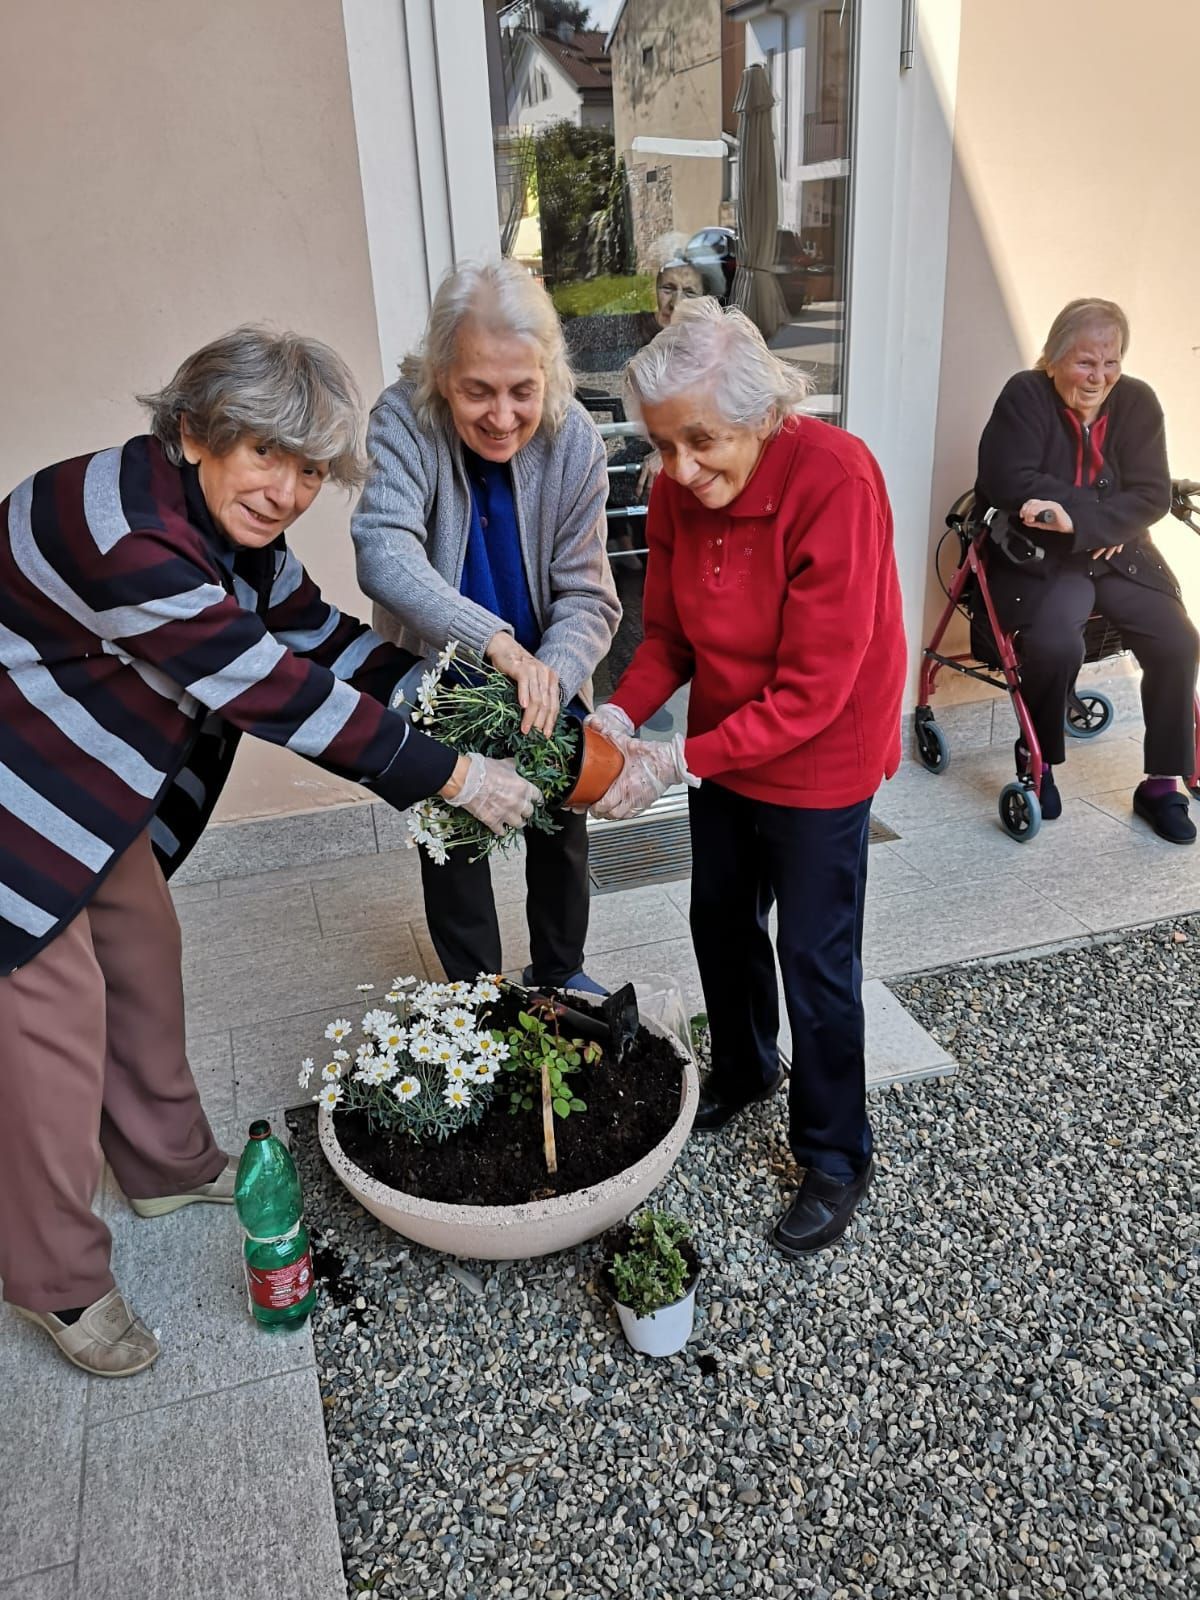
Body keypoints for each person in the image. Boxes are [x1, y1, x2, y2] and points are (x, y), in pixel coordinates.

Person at [0, 327, 539, 1377]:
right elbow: (270, 687)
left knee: (143, 948)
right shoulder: (127, 537)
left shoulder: (223, 525)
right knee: (47, 1014)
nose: (288, 490)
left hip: (64, 769)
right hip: (14, 781)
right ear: (198, 431)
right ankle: (53, 1275)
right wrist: (455, 776)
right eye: (267, 456)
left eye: (309, 470)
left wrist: (449, 700)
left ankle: (160, 1161)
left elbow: (315, 637)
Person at [585, 299, 906, 1257]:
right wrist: (616, 713)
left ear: (765, 413)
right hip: (730, 745)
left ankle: (837, 1153)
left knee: (815, 958)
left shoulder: (835, 480)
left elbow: (813, 693)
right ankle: (748, 1067)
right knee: (719, 919)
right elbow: (672, 638)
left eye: (701, 441)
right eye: (662, 445)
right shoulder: (680, 484)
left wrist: (672, 758)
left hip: (820, 757)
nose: (679, 470)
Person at [352, 260, 620, 991]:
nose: (502, 416)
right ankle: (477, 1000)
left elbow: (589, 596)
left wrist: (552, 672)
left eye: (521, 391)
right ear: (442, 373)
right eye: (477, 391)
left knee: (561, 833)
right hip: (447, 678)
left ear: (548, 374)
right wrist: (494, 643)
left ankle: (563, 974)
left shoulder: (575, 441)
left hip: (546, 673)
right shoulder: (404, 418)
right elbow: (384, 550)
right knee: (455, 839)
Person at [976, 297, 1199, 842]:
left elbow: (1151, 494)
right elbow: (1008, 480)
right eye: (1085, 362)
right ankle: (1040, 760)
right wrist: (1095, 519)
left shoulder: (1139, 402)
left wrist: (1084, 522)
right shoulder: (1023, 395)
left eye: (1111, 362)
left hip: (1117, 552)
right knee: (1055, 645)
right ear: (1052, 358)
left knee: (1177, 641)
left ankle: (1163, 781)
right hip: (1041, 557)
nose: (1099, 376)